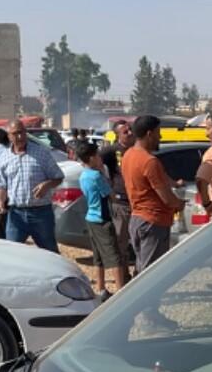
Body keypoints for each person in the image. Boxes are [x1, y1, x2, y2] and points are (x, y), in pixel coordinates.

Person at [121, 114, 184, 268]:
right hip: (153, 222)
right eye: (158, 132)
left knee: (142, 267)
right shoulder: (150, 161)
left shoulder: (128, 155)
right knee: (151, 273)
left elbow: (156, 179)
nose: (160, 137)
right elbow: (167, 198)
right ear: (149, 134)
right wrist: (179, 204)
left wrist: (174, 184)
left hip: (137, 219)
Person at [0, 117, 64, 250]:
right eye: (15, 134)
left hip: (41, 213)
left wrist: (46, 185)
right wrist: (0, 202)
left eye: (22, 132)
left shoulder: (41, 153)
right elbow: (1, 185)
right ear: (9, 136)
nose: (19, 136)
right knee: (12, 253)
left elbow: (58, 177)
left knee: (50, 253)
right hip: (16, 214)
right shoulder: (4, 157)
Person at [77, 141, 124, 298]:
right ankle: (121, 290)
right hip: (102, 219)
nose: (99, 158)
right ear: (91, 158)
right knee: (114, 256)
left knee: (98, 257)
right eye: (97, 155)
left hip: (91, 217)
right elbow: (110, 195)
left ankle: (101, 288)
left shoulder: (83, 175)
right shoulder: (97, 176)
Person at [104, 119, 136, 274]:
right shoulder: (111, 151)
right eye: (125, 132)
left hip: (138, 203)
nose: (130, 133)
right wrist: (107, 188)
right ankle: (123, 277)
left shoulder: (138, 150)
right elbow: (91, 164)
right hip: (121, 203)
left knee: (139, 242)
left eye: (130, 130)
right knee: (120, 243)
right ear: (117, 135)